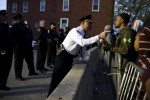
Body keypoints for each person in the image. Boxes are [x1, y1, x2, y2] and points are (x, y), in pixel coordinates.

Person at [47, 14, 105, 97]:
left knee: (65, 80)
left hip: (69, 58)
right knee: (56, 79)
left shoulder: (83, 34)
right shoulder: (75, 31)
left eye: (91, 24)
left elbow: (83, 47)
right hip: (62, 57)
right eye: (89, 24)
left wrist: (84, 60)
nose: (90, 26)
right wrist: (98, 36)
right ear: (82, 23)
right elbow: (82, 42)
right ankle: (50, 96)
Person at [11, 13, 38, 81]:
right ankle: (18, 75)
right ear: (18, 19)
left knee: (30, 60)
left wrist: (29, 40)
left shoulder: (26, 26)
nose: (23, 19)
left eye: (22, 18)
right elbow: (12, 37)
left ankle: (31, 72)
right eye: (21, 18)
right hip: (19, 47)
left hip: (27, 46)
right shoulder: (14, 27)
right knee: (19, 61)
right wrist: (15, 45)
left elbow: (30, 33)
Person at [0, 10, 13, 90]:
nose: (6, 17)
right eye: (4, 16)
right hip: (1, 50)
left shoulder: (6, 25)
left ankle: (2, 84)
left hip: (8, 49)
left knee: (6, 68)